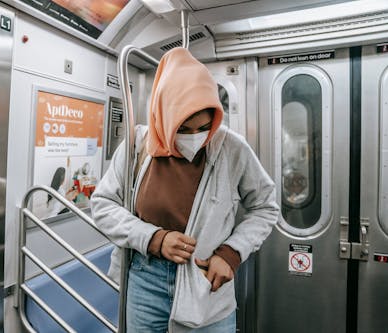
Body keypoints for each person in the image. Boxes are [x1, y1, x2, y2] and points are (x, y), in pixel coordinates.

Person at [90, 48, 279, 332]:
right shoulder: (137, 145)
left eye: (204, 127)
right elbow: (103, 205)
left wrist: (231, 254)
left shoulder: (231, 148)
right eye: (183, 128)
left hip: (205, 284)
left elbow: (265, 207)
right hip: (145, 278)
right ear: (164, 118)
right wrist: (153, 238)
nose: (195, 138)